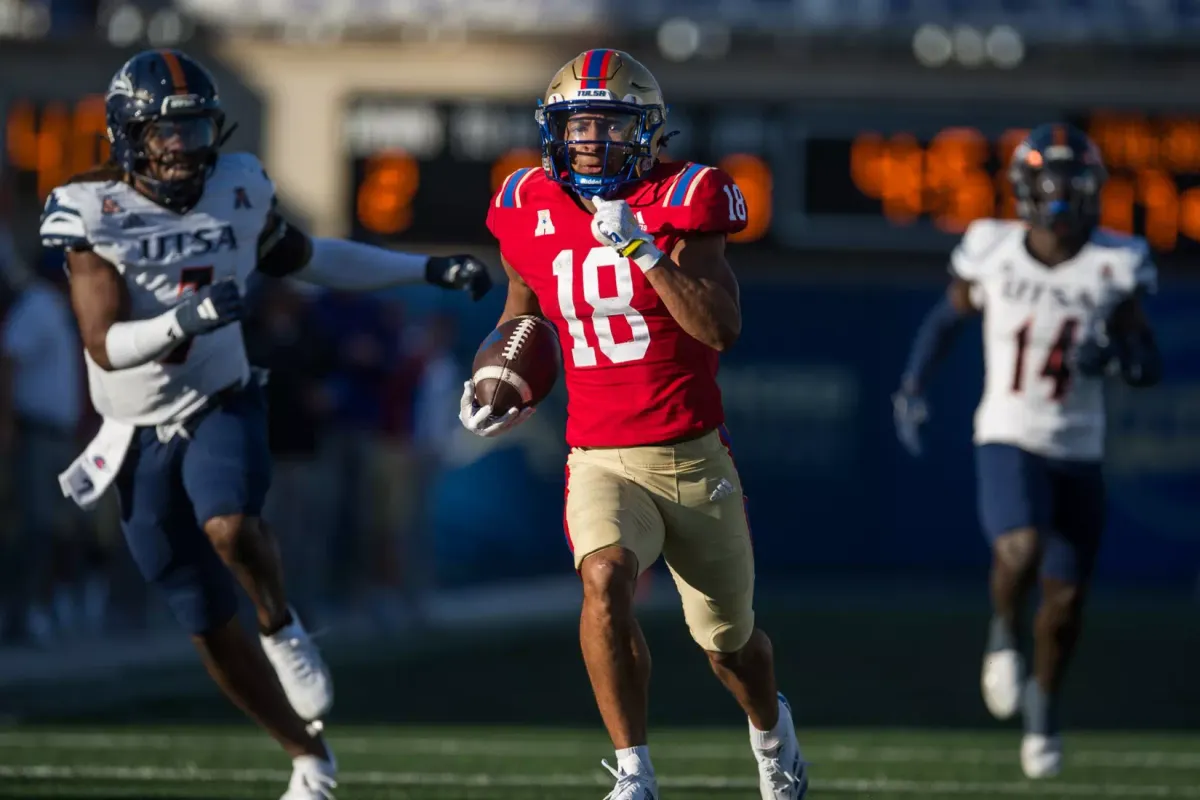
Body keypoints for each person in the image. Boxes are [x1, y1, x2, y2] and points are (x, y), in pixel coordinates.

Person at [40, 48, 492, 800]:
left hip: (221, 397)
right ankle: (307, 756)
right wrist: (189, 315)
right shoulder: (92, 212)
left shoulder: (238, 185)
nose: (187, 148)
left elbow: (307, 259)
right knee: (200, 612)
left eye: (197, 129)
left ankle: (283, 624)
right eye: (169, 133)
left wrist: (422, 270)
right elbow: (104, 345)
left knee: (230, 525)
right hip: (133, 428)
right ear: (129, 134)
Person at [459, 49, 806, 800]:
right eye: (576, 124)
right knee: (605, 578)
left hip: (692, 457)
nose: (590, 139)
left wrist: (643, 249)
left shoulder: (685, 196)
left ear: (646, 132)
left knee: (730, 647)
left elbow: (719, 328)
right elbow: (523, 317)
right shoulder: (526, 202)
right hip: (600, 455)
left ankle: (770, 732)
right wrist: (495, 380)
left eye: (608, 123)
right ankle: (634, 772)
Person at [892, 124, 1161, 779]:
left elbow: (1146, 361)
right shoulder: (993, 248)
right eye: (1053, 183)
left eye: (1077, 183)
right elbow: (948, 316)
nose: (1065, 196)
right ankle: (1003, 633)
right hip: (1009, 431)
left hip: (1079, 445)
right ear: (1026, 190)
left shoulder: (1117, 261)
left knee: (1067, 599)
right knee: (1020, 547)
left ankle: (1043, 706)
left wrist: (1119, 359)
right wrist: (913, 385)